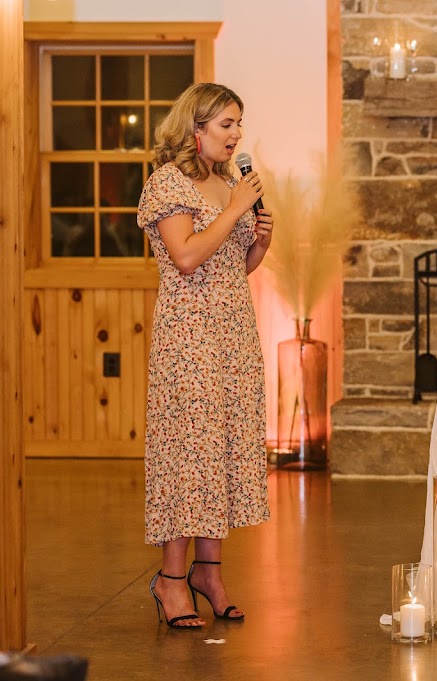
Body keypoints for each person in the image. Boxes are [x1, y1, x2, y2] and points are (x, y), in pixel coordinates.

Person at [137, 83, 273, 628]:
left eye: (239, 123)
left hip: (234, 335)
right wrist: (236, 209)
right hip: (189, 338)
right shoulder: (167, 184)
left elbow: (232, 268)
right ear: (196, 128)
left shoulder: (229, 183)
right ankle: (171, 580)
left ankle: (208, 574)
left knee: (222, 451)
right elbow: (187, 256)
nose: (237, 134)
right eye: (226, 124)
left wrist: (259, 242)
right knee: (188, 454)